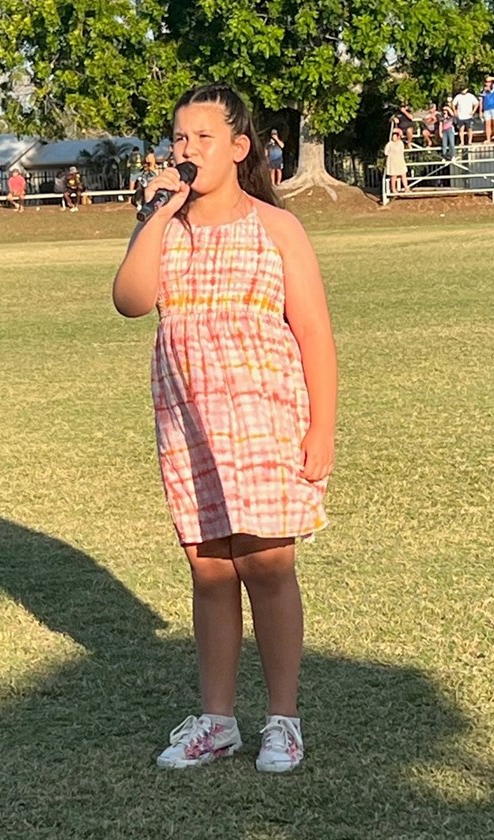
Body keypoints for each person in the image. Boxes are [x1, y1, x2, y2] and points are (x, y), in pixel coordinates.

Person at [112, 82, 337, 774]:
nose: (187, 150)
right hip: (187, 420)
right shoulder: (164, 226)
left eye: (203, 138)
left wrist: (322, 429)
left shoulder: (276, 227)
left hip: (265, 415)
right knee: (209, 567)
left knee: (267, 563)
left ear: (239, 148)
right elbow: (130, 301)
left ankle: (283, 721)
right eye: (179, 138)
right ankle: (216, 722)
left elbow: (314, 333)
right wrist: (156, 214)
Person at [479, 75, 494, 144]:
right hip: (486, 109)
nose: (487, 83)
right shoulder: (482, 90)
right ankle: (488, 139)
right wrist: (480, 111)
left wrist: (492, 78)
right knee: (487, 124)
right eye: (486, 82)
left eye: (489, 82)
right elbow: (481, 101)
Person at [384, 127, 409, 194]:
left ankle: (406, 187)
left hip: (400, 160)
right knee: (393, 176)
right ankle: (393, 189)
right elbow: (386, 152)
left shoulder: (400, 143)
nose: (394, 138)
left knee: (403, 174)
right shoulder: (389, 144)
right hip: (392, 161)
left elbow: (401, 151)